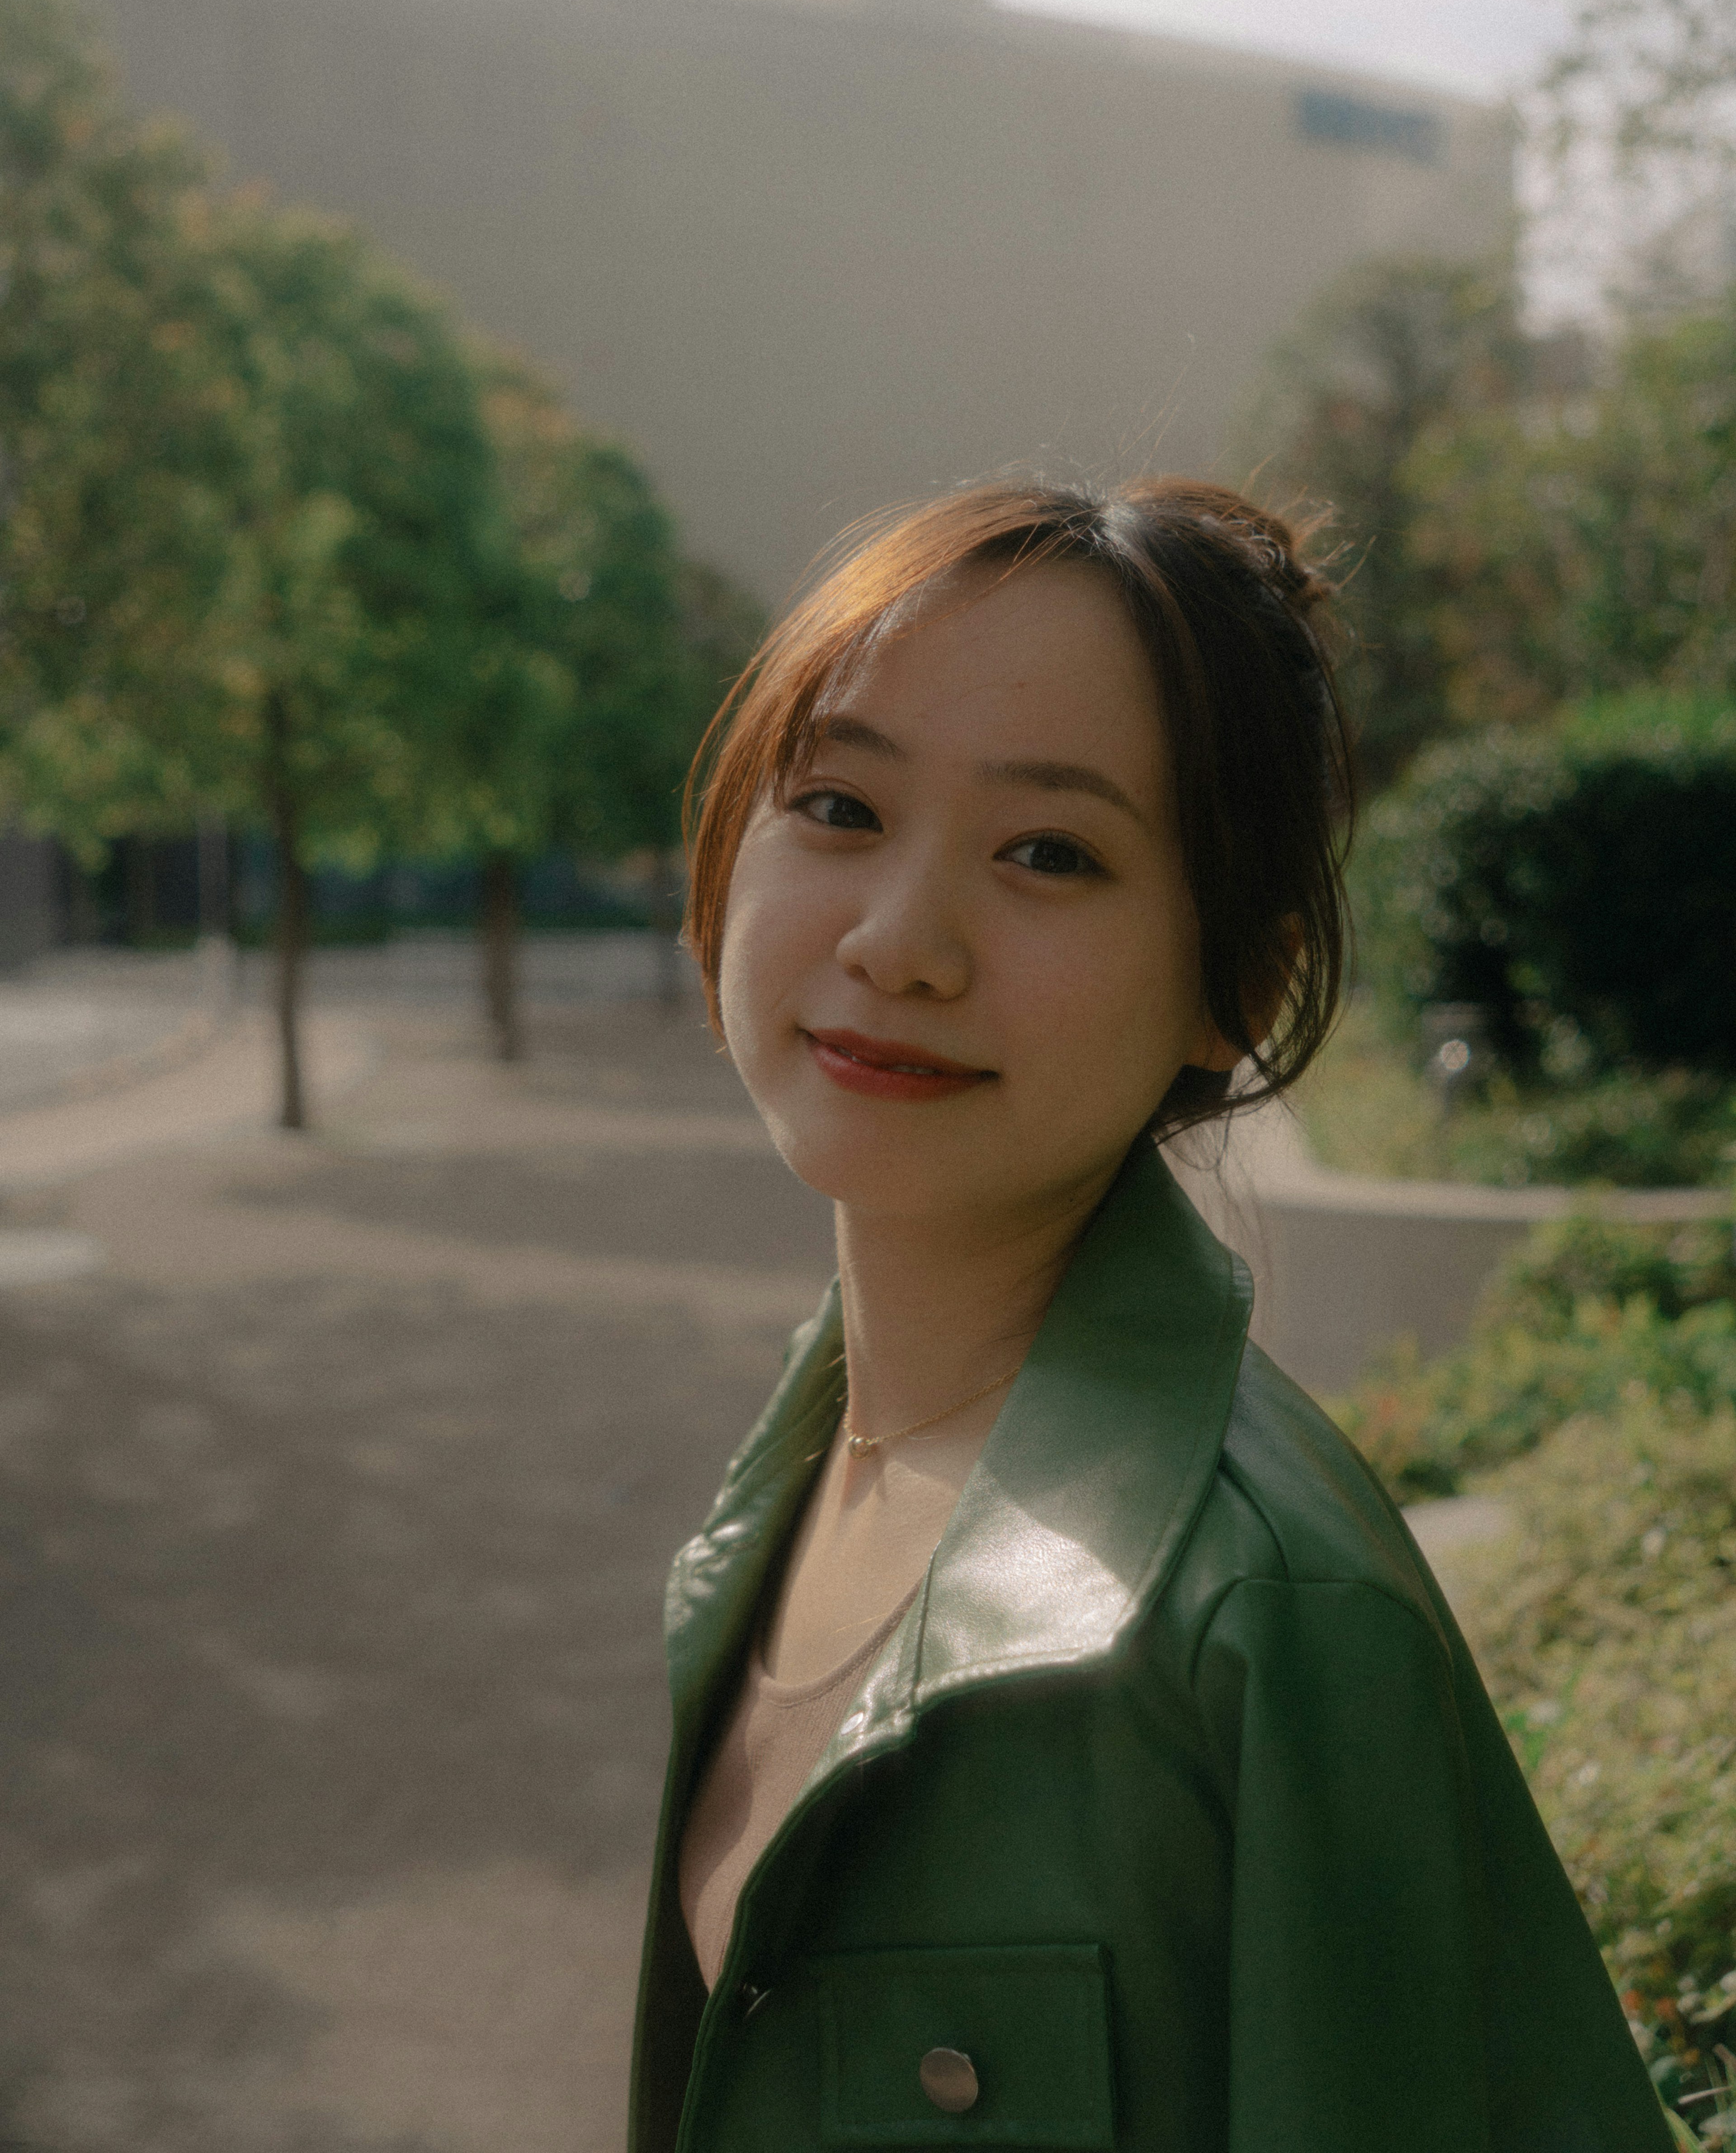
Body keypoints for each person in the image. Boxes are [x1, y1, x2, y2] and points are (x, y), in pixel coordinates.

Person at [628, 477, 1673, 2153]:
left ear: (1234, 990)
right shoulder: (818, 1452)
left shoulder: (1267, 1615)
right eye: (836, 805)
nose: (900, 943)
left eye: (1051, 852)